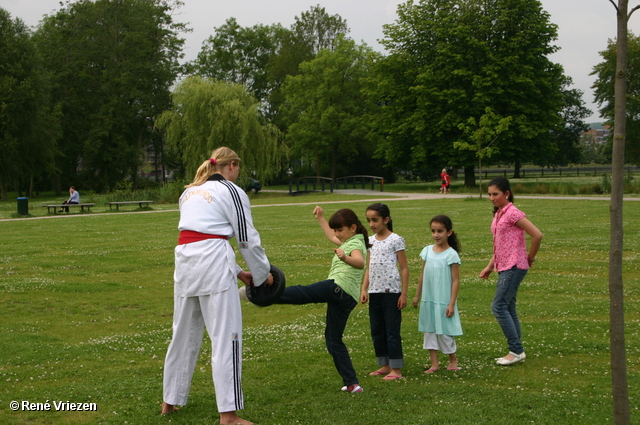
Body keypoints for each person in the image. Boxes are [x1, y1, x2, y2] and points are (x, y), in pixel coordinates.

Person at [161, 147, 273, 425]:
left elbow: (197, 234)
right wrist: (263, 274)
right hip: (212, 261)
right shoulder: (232, 191)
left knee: (183, 333)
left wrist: (238, 272)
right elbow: (246, 239)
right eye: (238, 168)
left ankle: (169, 402)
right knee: (227, 337)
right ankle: (229, 416)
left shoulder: (189, 191)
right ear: (232, 166)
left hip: (186, 263)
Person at [274, 207, 371, 393]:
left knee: (305, 293)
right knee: (333, 339)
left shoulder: (356, 243)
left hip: (338, 287)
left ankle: (269, 295)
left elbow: (360, 263)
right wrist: (320, 218)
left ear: (353, 227)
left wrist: (345, 258)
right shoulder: (349, 239)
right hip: (347, 297)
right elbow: (331, 237)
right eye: (336, 230)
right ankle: (352, 384)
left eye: (340, 230)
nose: (337, 235)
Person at [480, 177, 542, 366]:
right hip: (504, 265)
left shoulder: (513, 213)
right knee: (508, 307)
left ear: (506, 194)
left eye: (495, 194)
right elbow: (500, 244)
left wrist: (529, 257)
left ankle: (515, 350)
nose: (491, 197)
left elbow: (537, 235)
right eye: (489, 194)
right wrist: (490, 266)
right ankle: (517, 351)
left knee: (498, 307)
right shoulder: (499, 213)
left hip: (514, 266)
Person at [360, 203, 409, 381]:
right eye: (369, 220)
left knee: (392, 331)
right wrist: (364, 288)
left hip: (391, 292)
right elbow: (369, 267)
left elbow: (403, 268)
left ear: (386, 220)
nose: (372, 224)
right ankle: (385, 364)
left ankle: (396, 369)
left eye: (375, 220)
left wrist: (403, 293)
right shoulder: (370, 241)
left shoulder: (396, 239)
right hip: (375, 292)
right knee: (377, 330)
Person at [413, 215, 462, 373]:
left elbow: (455, 280)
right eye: (433, 231)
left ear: (449, 232)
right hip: (429, 299)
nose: (436, 234)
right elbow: (422, 274)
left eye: (440, 231)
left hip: (443, 300)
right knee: (429, 331)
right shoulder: (427, 251)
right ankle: (434, 363)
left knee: (445, 332)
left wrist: (451, 303)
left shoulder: (451, 254)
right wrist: (417, 295)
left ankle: (452, 360)